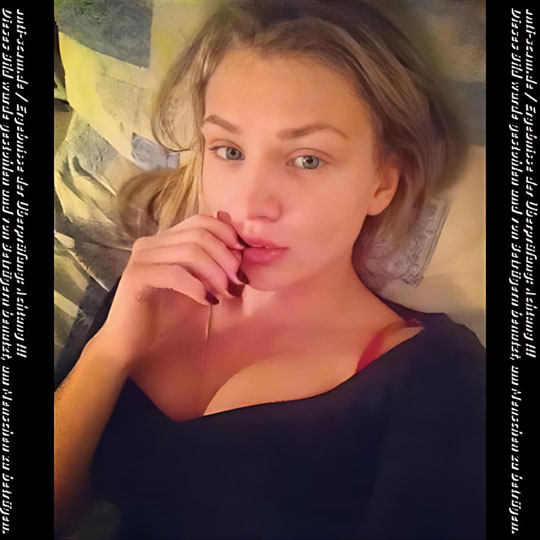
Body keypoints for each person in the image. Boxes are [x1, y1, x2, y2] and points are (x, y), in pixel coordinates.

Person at [54, 1, 485, 539]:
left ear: (382, 182)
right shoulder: (151, 291)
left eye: (307, 159)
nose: (250, 203)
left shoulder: (438, 376)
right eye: (229, 150)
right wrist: (110, 351)